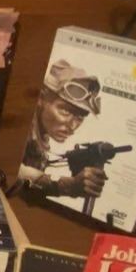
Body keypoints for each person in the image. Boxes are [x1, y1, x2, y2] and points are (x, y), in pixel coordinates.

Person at [16, 60, 106, 200]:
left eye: (80, 117)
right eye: (65, 111)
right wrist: (65, 186)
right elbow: (9, 169)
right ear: (40, 98)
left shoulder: (41, 136)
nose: (73, 126)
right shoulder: (19, 122)